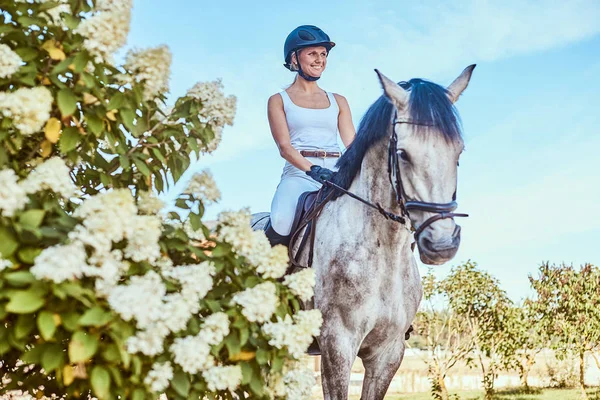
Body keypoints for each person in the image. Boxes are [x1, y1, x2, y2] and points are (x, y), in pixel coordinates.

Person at [265, 25, 356, 246]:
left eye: (323, 54)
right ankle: (277, 276)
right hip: (300, 174)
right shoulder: (278, 100)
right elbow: (285, 147)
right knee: (281, 220)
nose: (320, 59)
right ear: (294, 59)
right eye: (312, 53)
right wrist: (313, 169)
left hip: (337, 173)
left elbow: (353, 144)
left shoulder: (339, 100)